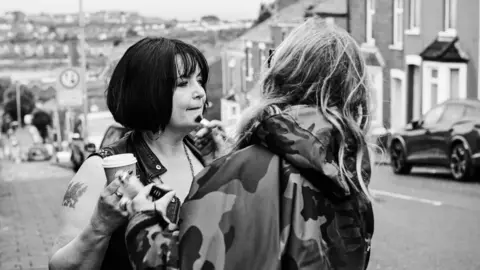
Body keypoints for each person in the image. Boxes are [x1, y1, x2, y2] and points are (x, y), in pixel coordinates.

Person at [124, 17, 375, 270]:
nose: (199, 92)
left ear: (277, 76)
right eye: (183, 83)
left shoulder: (234, 173)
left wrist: (145, 220)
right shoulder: (349, 169)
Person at [48, 37, 226, 270]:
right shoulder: (100, 169)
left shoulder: (207, 156)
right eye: (183, 83)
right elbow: (60, 267)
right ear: (147, 92)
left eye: (200, 81)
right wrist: (100, 226)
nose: (200, 93)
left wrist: (224, 167)